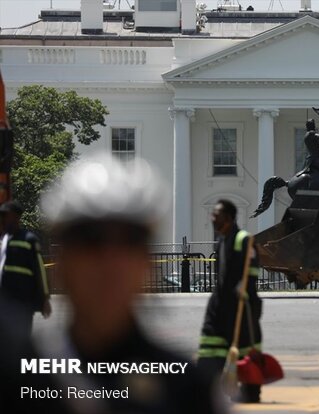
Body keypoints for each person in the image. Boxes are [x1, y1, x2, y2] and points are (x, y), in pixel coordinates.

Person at [6, 154, 227, 414]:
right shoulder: (13, 378)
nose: (110, 260)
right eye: (90, 239)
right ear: (62, 259)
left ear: (146, 261)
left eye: (130, 240)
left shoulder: (188, 390)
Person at [198, 199, 263, 403]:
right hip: (220, 304)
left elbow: (251, 272)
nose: (212, 218)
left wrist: (243, 293)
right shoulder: (221, 241)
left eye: (216, 214)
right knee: (211, 345)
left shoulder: (243, 239)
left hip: (240, 305)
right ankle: (203, 390)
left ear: (228, 217)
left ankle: (252, 392)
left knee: (245, 349)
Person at [0, 200, 51, 336]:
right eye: (3, 217)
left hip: (23, 301)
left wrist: (45, 298)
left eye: (7, 216)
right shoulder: (2, 240)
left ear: (17, 217)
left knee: (21, 337)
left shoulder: (28, 240)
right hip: (4, 300)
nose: (4, 220)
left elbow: (39, 269)